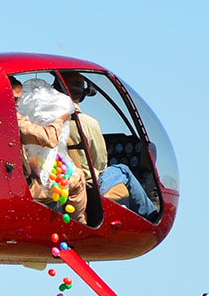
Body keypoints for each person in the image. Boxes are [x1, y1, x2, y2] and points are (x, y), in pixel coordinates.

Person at [58, 71, 157, 219]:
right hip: (87, 186)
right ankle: (152, 215)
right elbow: (100, 164)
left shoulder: (46, 123)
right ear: (82, 95)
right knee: (123, 170)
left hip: (60, 183)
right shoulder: (88, 124)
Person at [11, 77, 87, 224]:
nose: (19, 104)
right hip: (23, 186)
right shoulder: (13, 119)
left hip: (13, 178)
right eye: (14, 100)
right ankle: (79, 228)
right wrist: (62, 116)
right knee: (78, 179)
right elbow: (50, 138)